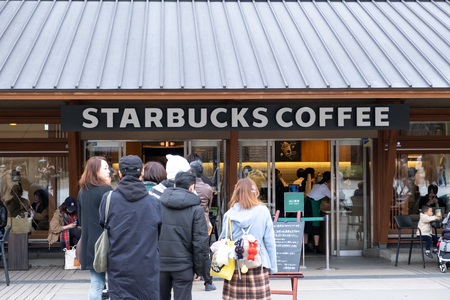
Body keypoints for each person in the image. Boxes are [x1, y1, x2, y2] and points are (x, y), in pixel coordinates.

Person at [99, 155, 162, 300]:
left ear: (120, 173)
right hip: (147, 268)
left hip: (118, 267)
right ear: (141, 173)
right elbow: (159, 233)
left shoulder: (108, 199)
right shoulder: (154, 202)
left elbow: (103, 223)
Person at [219, 178, 277, 300]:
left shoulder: (229, 215)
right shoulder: (263, 211)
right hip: (259, 263)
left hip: (236, 266)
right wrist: (273, 267)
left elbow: (223, 240)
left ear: (237, 193)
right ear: (255, 192)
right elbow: (270, 242)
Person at [159, 171, 209, 300]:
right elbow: (200, 242)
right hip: (184, 266)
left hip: (160, 265)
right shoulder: (196, 210)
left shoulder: (158, 204)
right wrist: (199, 269)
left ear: (175, 185)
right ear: (192, 187)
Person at [77, 156, 113, 300]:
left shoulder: (82, 192)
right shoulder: (107, 190)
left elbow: (80, 220)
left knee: (96, 284)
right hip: (107, 243)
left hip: (90, 244)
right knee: (113, 283)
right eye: (105, 168)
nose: (108, 171)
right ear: (95, 171)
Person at [190, 160, 215, 291]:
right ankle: (208, 282)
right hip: (203, 222)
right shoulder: (207, 188)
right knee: (205, 252)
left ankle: (191, 276)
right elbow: (208, 207)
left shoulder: (186, 186)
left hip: (188, 221)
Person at [304, 171, 331, 253]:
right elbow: (332, 197)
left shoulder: (317, 184)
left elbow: (314, 195)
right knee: (315, 224)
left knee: (307, 224)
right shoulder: (324, 187)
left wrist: (322, 202)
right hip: (312, 206)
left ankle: (305, 246)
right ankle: (316, 247)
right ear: (330, 179)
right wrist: (342, 203)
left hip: (307, 203)